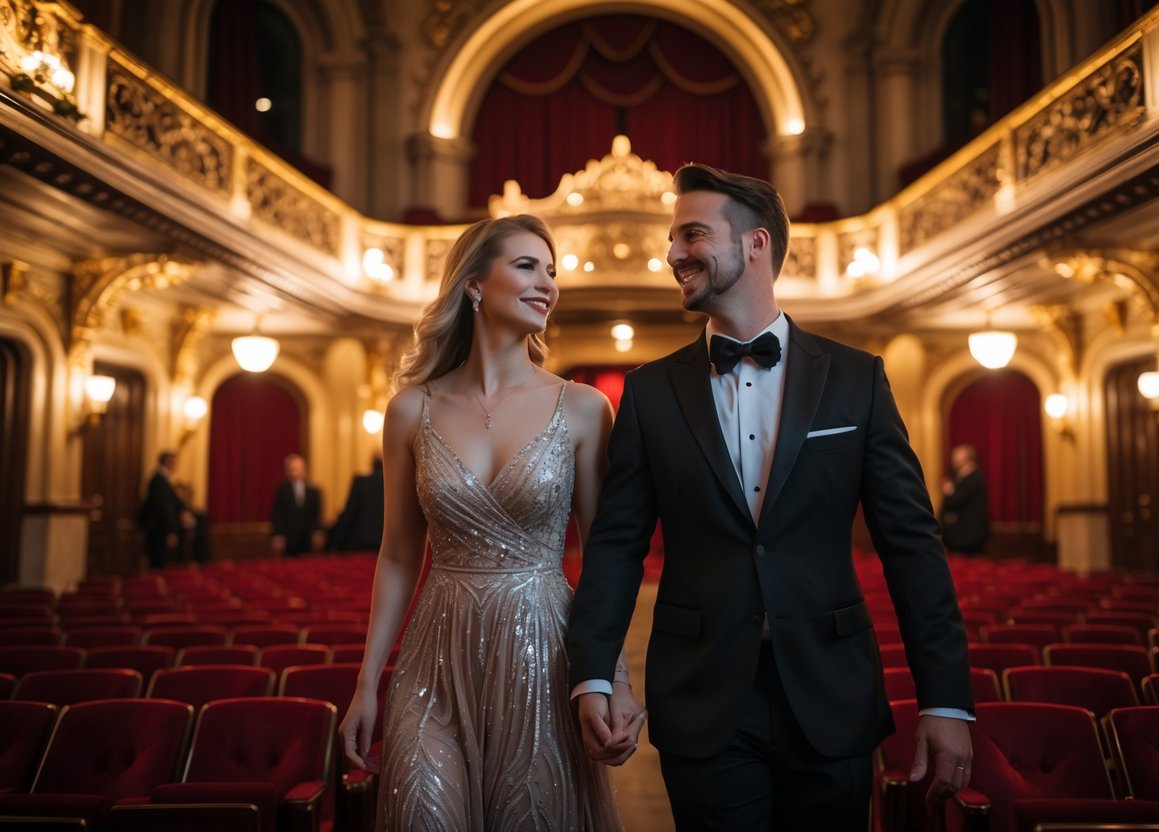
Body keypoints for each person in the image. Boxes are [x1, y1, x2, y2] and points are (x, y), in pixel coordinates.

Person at [567, 163, 974, 830]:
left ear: (755, 244)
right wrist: (594, 674)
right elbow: (614, 546)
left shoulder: (857, 380)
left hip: (832, 691)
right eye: (672, 239)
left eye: (691, 234)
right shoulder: (648, 392)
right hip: (701, 697)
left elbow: (911, 547)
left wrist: (946, 702)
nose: (672, 254)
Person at [338, 214, 642, 830]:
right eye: (528, 266)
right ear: (474, 284)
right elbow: (398, 554)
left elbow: (604, 558)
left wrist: (613, 678)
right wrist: (368, 681)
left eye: (552, 272)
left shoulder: (583, 408)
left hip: (545, 658)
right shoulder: (409, 410)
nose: (548, 284)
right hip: (435, 660)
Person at [138, 450, 186, 569]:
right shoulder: (159, 481)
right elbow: (164, 508)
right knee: (161, 565)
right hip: (160, 531)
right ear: (168, 463)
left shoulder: (161, 480)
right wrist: (171, 530)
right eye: (174, 463)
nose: (175, 466)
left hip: (160, 530)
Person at [940, 444, 990, 555]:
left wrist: (949, 492)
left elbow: (955, 502)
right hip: (967, 533)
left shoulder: (974, 478)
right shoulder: (966, 477)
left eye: (955, 459)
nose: (953, 462)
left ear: (965, 460)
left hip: (969, 534)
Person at [327, 455, 385, 552]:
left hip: (362, 542)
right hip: (386, 544)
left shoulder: (361, 482)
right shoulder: (398, 485)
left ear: (372, 464)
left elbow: (350, 512)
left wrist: (335, 545)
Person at [269, 453, 323, 556]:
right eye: (293, 469)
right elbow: (277, 514)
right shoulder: (282, 491)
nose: (296, 472)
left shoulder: (313, 492)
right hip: (288, 538)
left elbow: (316, 515)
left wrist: (317, 531)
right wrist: (278, 534)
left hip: (307, 538)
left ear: (305, 470)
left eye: (299, 469)